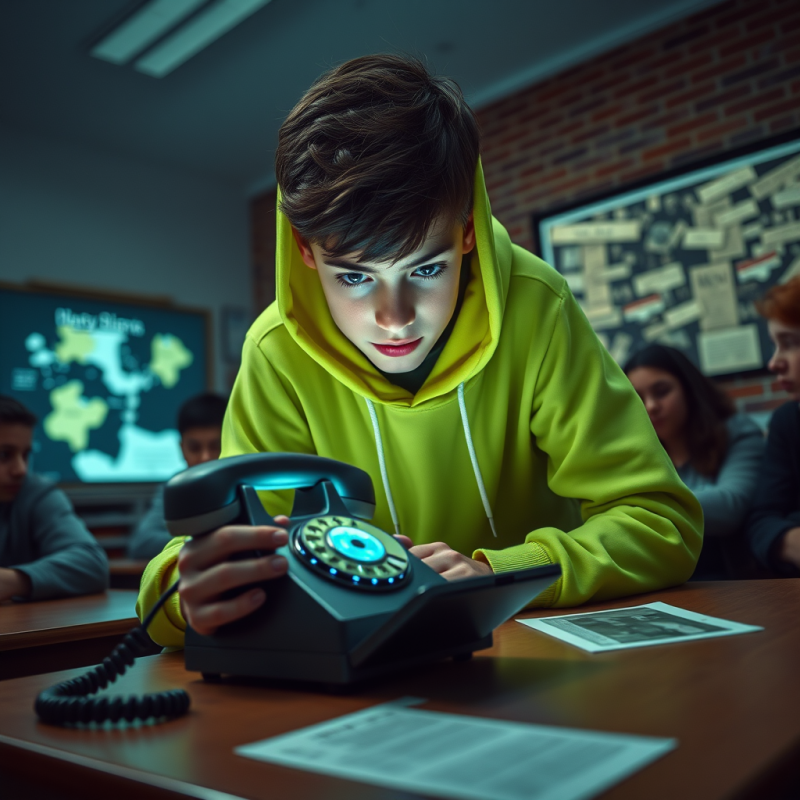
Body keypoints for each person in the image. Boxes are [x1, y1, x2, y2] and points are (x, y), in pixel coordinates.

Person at [137, 55, 702, 647]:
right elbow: (221, 546)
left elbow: (662, 525)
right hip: (365, 681)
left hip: (539, 660)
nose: (394, 318)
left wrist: (496, 573)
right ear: (306, 250)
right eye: (354, 277)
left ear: (465, 232)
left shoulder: (539, 305)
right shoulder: (275, 351)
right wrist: (180, 591)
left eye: (425, 268)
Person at [624, 344, 764, 579]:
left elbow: (730, 505)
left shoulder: (737, 431)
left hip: (735, 585)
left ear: (689, 389)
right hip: (664, 587)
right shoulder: (635, 453)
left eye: (661, 391)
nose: (651, 406)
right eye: (637, 398)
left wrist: (640, 505)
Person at [0, 395, 108, 601]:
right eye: (4, 455)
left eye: (25, 455)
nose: (21, 469)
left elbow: (92, 563)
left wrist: (12, 581)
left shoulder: (35, 492)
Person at [126, 393, 226, 559]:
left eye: (216, 446)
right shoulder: (175, 487)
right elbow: (141, 543)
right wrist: (204, 544)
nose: (205, 457)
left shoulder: (250, 484)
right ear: (181, 449)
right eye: (194, 448)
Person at [746, 275, 800, 575]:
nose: (774, 363)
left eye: (790, 343)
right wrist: (791, 540)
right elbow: (761, 521)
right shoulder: (788, 421)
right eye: (775, 345)